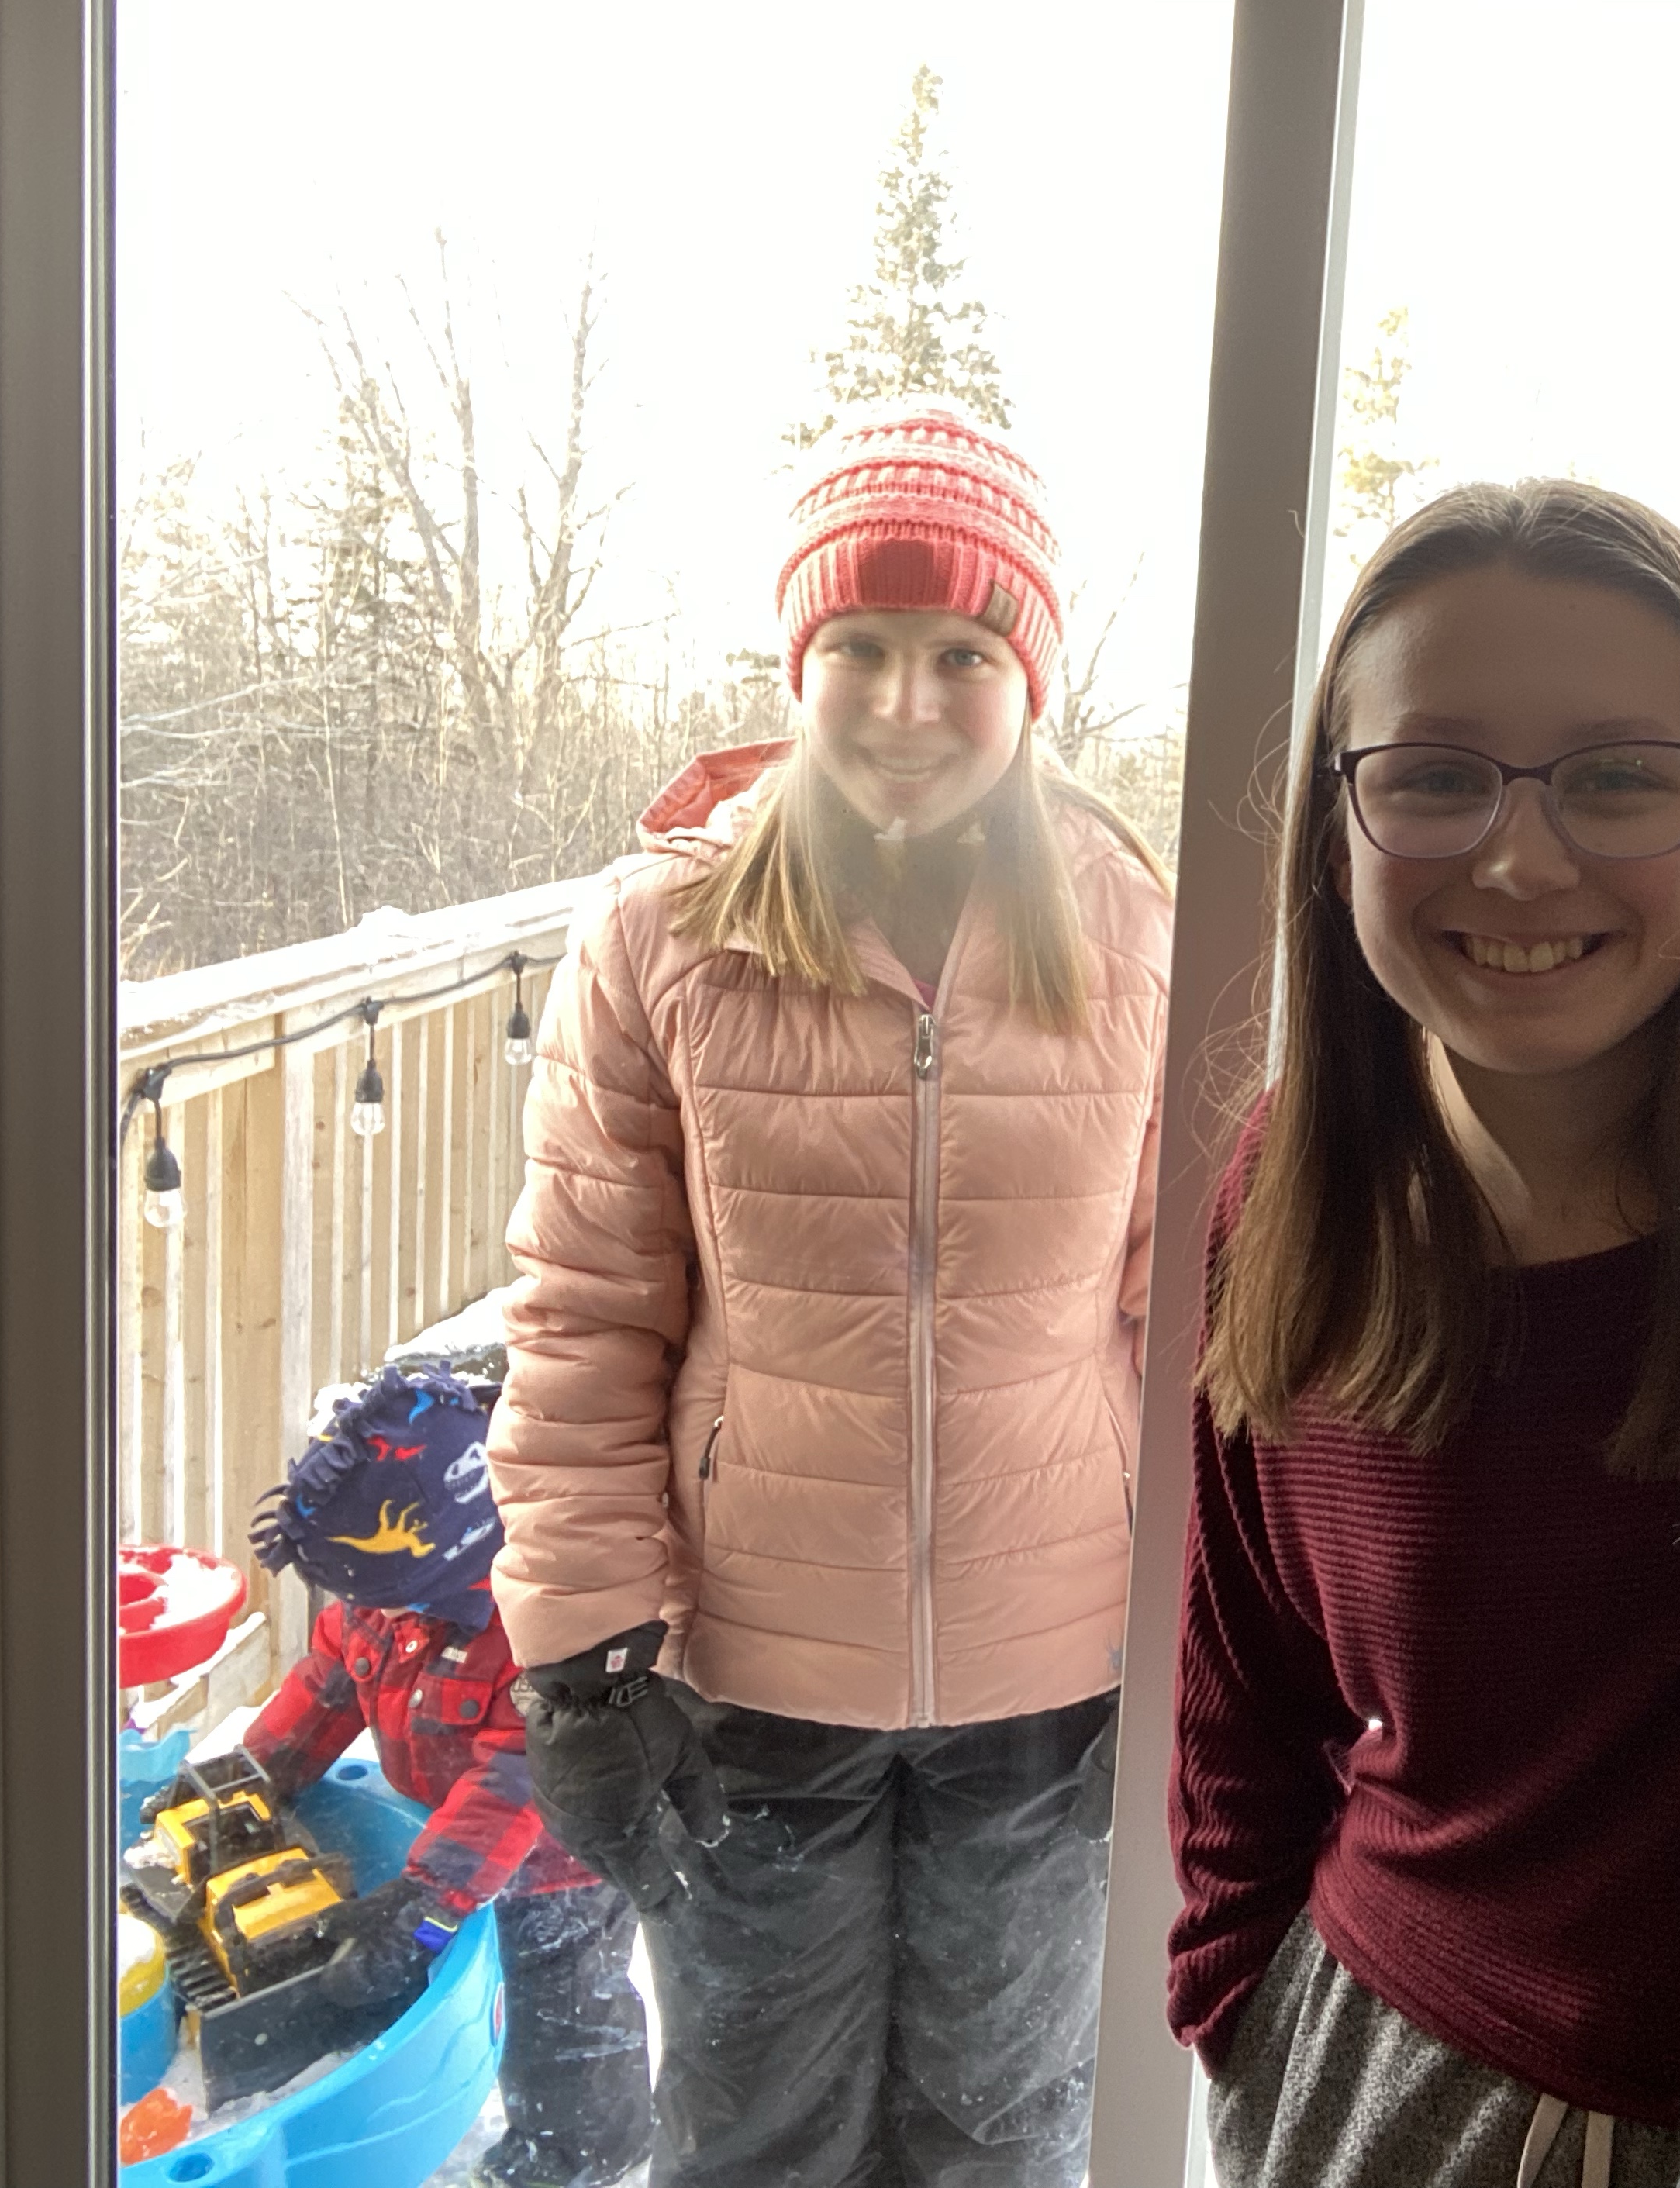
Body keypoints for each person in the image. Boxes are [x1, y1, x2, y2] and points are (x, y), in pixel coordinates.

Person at [485, 404, 1171, 2188]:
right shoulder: (666, 935)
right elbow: (584, 1314)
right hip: (750, 1686)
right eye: (860, 645)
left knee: (999, 2135)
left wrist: (1212, 1632)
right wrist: (583, 1660)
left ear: (1031, 678)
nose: (905, 699)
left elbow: (1194, 1322)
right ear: (800, 663)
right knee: (757, 2140)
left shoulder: (1138, 935)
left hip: (1047, 1692)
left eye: (963, 653)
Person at [1169, 481, 1680, 2188]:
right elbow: (1240, 1683)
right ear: (1336, 824)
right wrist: (1236, 2008)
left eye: (1619, 776)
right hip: (1369, 2075)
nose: (1519, 857)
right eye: (1434, 775)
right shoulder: (1295, 1185)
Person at [243, 1361, 650, 2188]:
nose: (371, 1611)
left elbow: (518, 1775)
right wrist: (255, 1777)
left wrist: (429, 1900)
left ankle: (578, 2152)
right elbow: (330, 1682)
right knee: (456, 1961)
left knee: (563, 2012)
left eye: (381, 1595)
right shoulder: (388, 1598)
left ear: (446, 1559)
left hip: (567, 1859)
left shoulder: (544, 1625)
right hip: (465, 1841)